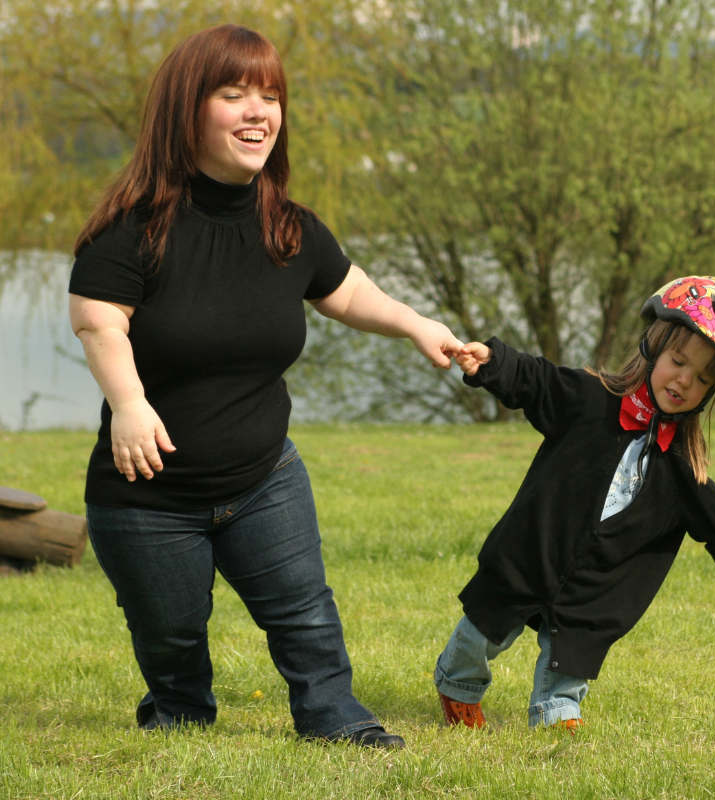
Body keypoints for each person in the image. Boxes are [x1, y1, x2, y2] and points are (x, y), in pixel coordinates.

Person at [68, 24, 463, 748]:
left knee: (305, 613)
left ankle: (335, 718)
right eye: (235, 94)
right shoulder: (130, 230)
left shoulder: (289, 227)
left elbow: (348, 293)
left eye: (271, 96)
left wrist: (415, 324)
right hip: (147, 495)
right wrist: (128, 403)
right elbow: (100, 324)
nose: (259, 112)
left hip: (263, 477)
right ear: (186, 110)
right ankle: (180, 709)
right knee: (171, 636)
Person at [434, 275, 715, 733]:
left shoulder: (681, 465)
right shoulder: (590, 398)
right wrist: (492, 363)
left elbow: (712, 509)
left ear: (709, 394)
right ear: (652, 346)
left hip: (597, 579)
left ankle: (557, 715)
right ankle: (458, 682)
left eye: (703, 378)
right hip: (537, 549)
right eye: (678, 361)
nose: (685, 380)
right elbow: (539, 381)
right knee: (488, 624)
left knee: (575, 646)